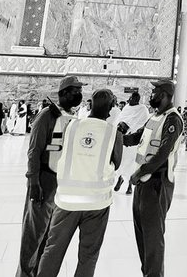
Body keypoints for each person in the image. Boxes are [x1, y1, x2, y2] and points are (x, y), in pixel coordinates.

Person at [35, 88, 123, 277]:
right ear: (112, 109)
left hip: (67, 201)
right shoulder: (113, 133)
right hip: (97, 204)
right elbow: (116, 163)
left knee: (53, 250)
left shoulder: (72, 126)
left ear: (90, 104)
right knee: (88, 255)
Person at [16, 75, 83, 277]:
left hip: (61, 185)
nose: (79, 95)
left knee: (49, 234)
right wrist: (33, 181)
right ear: (63, 93)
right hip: (44, 180)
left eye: (80, 91)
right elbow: (34, 150)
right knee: (33, 234)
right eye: (75, 91)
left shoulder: (72, 117)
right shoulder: (47, 115)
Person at [120, 79, 183, 276]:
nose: (151, 95)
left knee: (153, 238)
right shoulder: (155, 117)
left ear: (164, 95)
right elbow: (137, 137)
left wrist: (140, 172)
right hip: (143, 183)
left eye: (154, 92)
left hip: (157, 183)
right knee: (142, 235)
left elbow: (163, 153)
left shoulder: (173, 120)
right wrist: (115, 137)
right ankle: (147, 272)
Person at [115, 92, 151, 195]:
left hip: (133, 141)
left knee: (131, 163)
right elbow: (120, 119)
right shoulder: (126, 108)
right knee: (121, 161)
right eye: (130, 98)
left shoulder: (143, 109)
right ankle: (120, 179)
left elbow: (143, 124)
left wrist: (131, 128)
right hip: (123, 139)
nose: (130, 100)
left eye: (132, 98)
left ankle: (130, 185)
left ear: (137, 100)